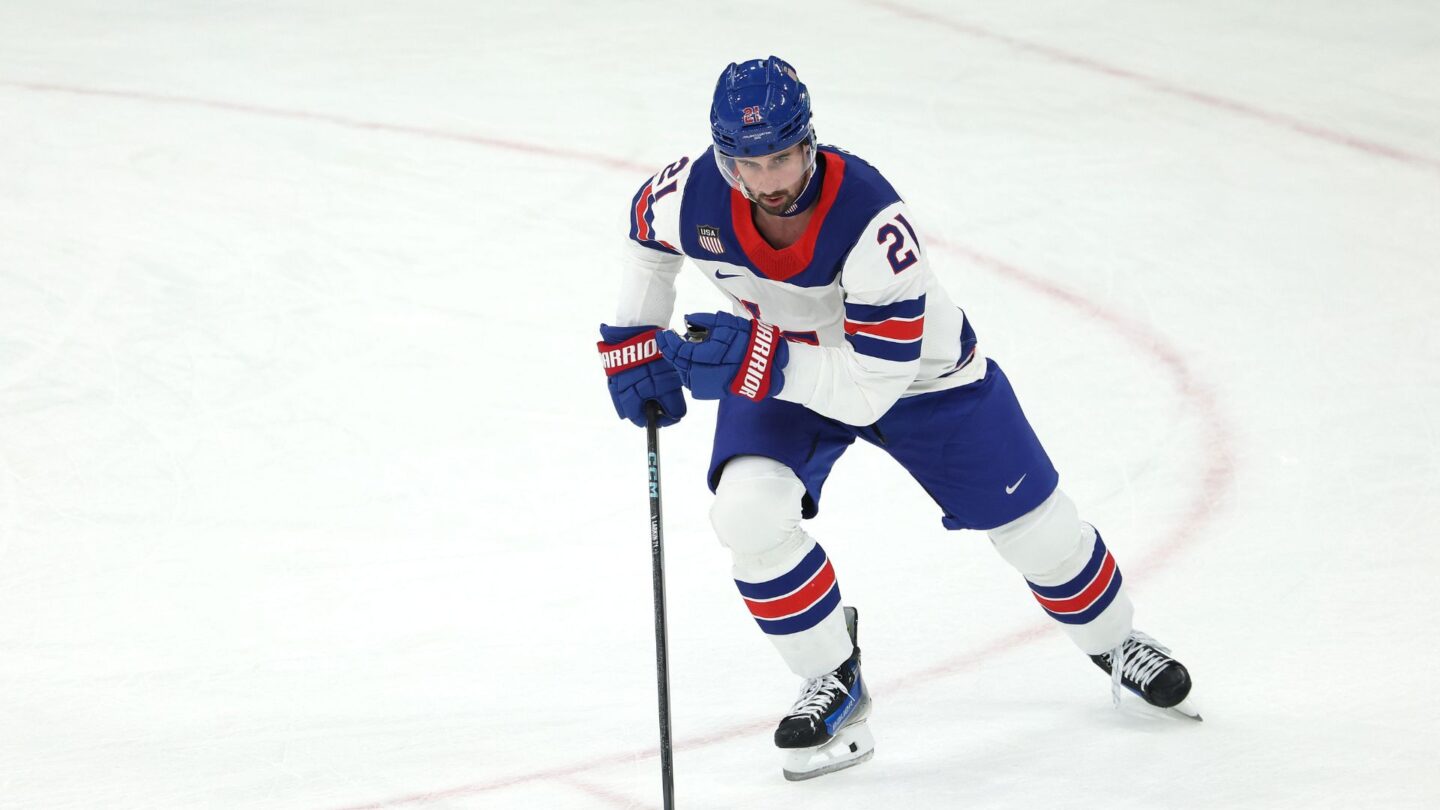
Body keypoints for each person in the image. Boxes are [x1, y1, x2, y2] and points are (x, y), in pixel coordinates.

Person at [596, 56, 1196, 781]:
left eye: (781, 157)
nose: (768, 179)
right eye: (749, 164)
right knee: (746, 517)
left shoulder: (871, 221)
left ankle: (1116, 640)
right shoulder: (690, 193)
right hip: (780, 365)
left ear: (809, 142)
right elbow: (644, 234)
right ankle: (833, 678)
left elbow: (870, 390)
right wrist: (633, 338)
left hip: (917, 378)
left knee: (1037, 529)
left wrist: (761, 362)